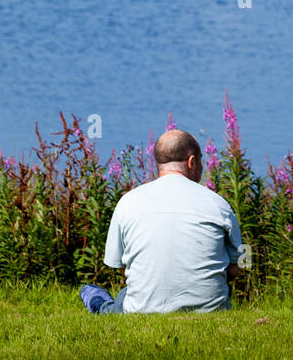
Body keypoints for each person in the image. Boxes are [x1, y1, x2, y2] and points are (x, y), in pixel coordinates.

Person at [79, 129, 243, 314]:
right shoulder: (219, 204)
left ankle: (96, 300)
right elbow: (238, 266)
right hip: (213, 310)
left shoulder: (128, 202)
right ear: (192, 162)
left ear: (157, 163)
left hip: (142, 310)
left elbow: (120, 265)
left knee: (111, 298)